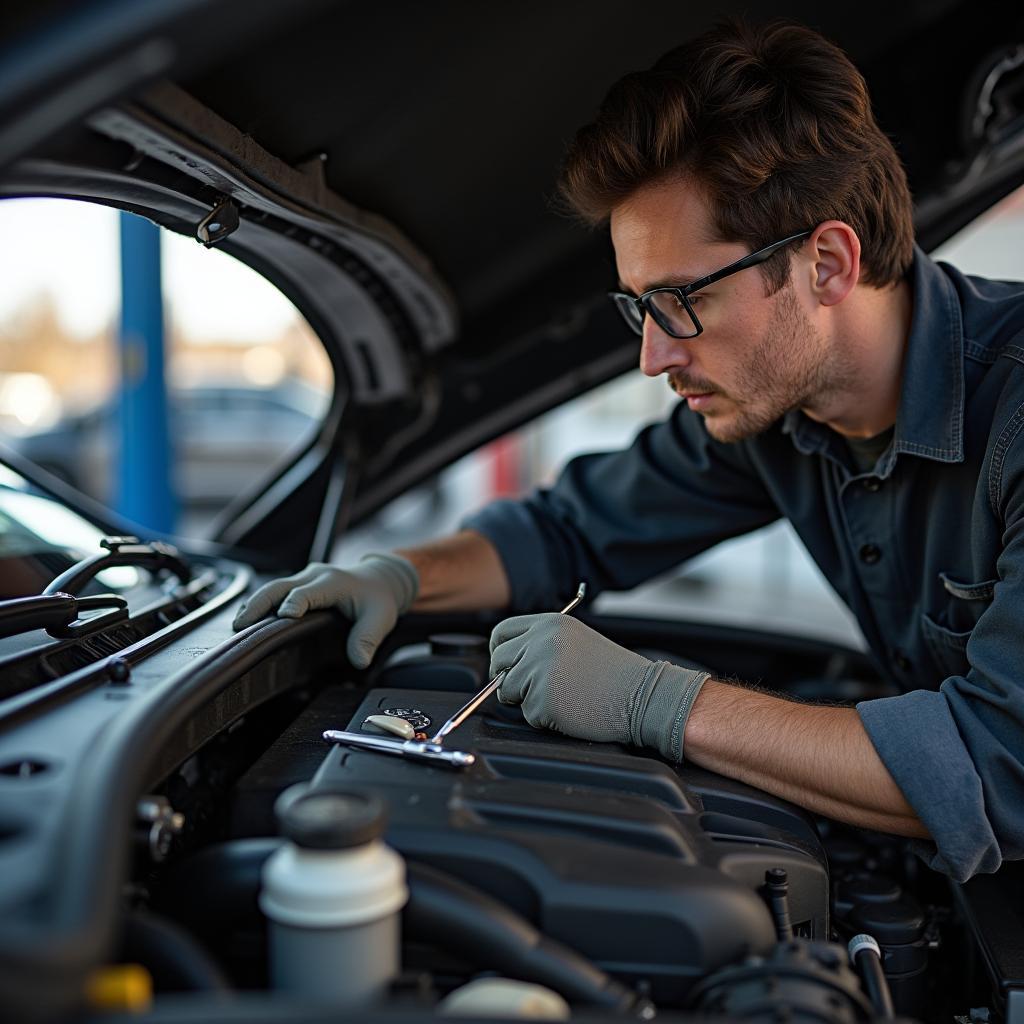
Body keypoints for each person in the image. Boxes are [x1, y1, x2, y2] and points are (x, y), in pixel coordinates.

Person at [234, 20, 1024, 883]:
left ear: (827, 264)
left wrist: (652, 702)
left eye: (681, 300)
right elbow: (566, 532)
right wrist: (395, 578)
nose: (654, 355)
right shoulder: (778, 416)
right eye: (639, 307)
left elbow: (993, 768)